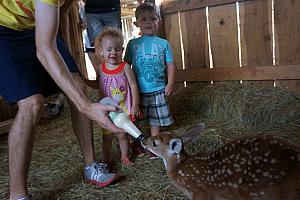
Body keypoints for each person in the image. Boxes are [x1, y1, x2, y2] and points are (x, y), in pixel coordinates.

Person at [0, 1, 124, 199]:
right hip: (4, 30)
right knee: (32, 104)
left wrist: (64, 51)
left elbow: (62, 11)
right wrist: (85, 106)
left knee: (78, 87)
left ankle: (91, 166)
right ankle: (18, 195)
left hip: (37, 26)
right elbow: (45, 49)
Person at [124, 3, 176, 159]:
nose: (148, 22)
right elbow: (126, 66)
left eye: (152, 19)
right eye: (144, 19)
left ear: (158, 21)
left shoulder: (163, 44)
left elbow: (170, 64)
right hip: (138, 91)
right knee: (137, 120)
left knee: (155, 120)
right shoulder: (133, 44)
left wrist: (171, 83)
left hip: (158, 89)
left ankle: (153, 147)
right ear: (136, 23)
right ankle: (138, 145)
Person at [91, 27, 141, 167]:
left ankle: (125, 156)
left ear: (122, 50)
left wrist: (135, 105)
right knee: (106, 135)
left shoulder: (125, 67)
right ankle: (106, 160)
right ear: (101, 51)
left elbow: (133, 85)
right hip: (107, 108)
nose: (113, 52)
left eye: (117, 49)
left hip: (122, 107)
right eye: (109, 49)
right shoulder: (100, 69)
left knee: (122, 134)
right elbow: (98, 86)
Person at [84, 0, 122, 71]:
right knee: (98, 45)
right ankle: (103, 74)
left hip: (112, 7)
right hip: (92, 9)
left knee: (116, 41)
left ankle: (118, 73)